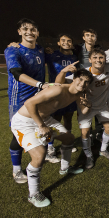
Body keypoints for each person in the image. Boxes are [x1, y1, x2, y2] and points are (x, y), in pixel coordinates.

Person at [11, 68, 92, 207]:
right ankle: (33, 194)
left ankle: (65, 168)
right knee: (39, 155)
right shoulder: (58, 89)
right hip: (24, 121)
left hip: (45, 119)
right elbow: (29, 103)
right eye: (80, 79)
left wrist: (88, 106)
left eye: (86, 82)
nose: (82, 84)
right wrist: (41, 125)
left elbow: (83, 110)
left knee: (69, 138)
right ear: (73, 79)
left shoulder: (80, 94)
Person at [5, 18, 55, 184]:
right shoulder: (13, 50)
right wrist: (41, 84)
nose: (29, 32)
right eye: (25, 29)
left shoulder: (40, 50)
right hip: (19, 99)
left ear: (37, 33)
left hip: (39, 97)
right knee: (17, 135)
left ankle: (45, 152)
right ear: (19, 31)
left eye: (33, 29)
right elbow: (17, 74)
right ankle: (17, 170)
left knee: (42, 125)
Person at [56, 48, 109, 168]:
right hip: (85, 106)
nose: (98, 60)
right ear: (89, 59)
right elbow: (58, 83)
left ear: (106, 59)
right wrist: (63, 71)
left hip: (102, 105)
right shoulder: (83, 74)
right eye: (94, 58)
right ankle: (89, 155)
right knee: (85, 133)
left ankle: (103, 149)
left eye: (101, 57)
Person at [45, 33, 79, 160]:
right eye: (63, 40)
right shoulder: (51, 55)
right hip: (55, 94)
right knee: (54, 120)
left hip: (69, 93)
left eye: (69, 41)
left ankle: (67, 142)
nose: (66, 42)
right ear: (58, 43)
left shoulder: (74, 57)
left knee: (68, 119)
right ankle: (49, 146)